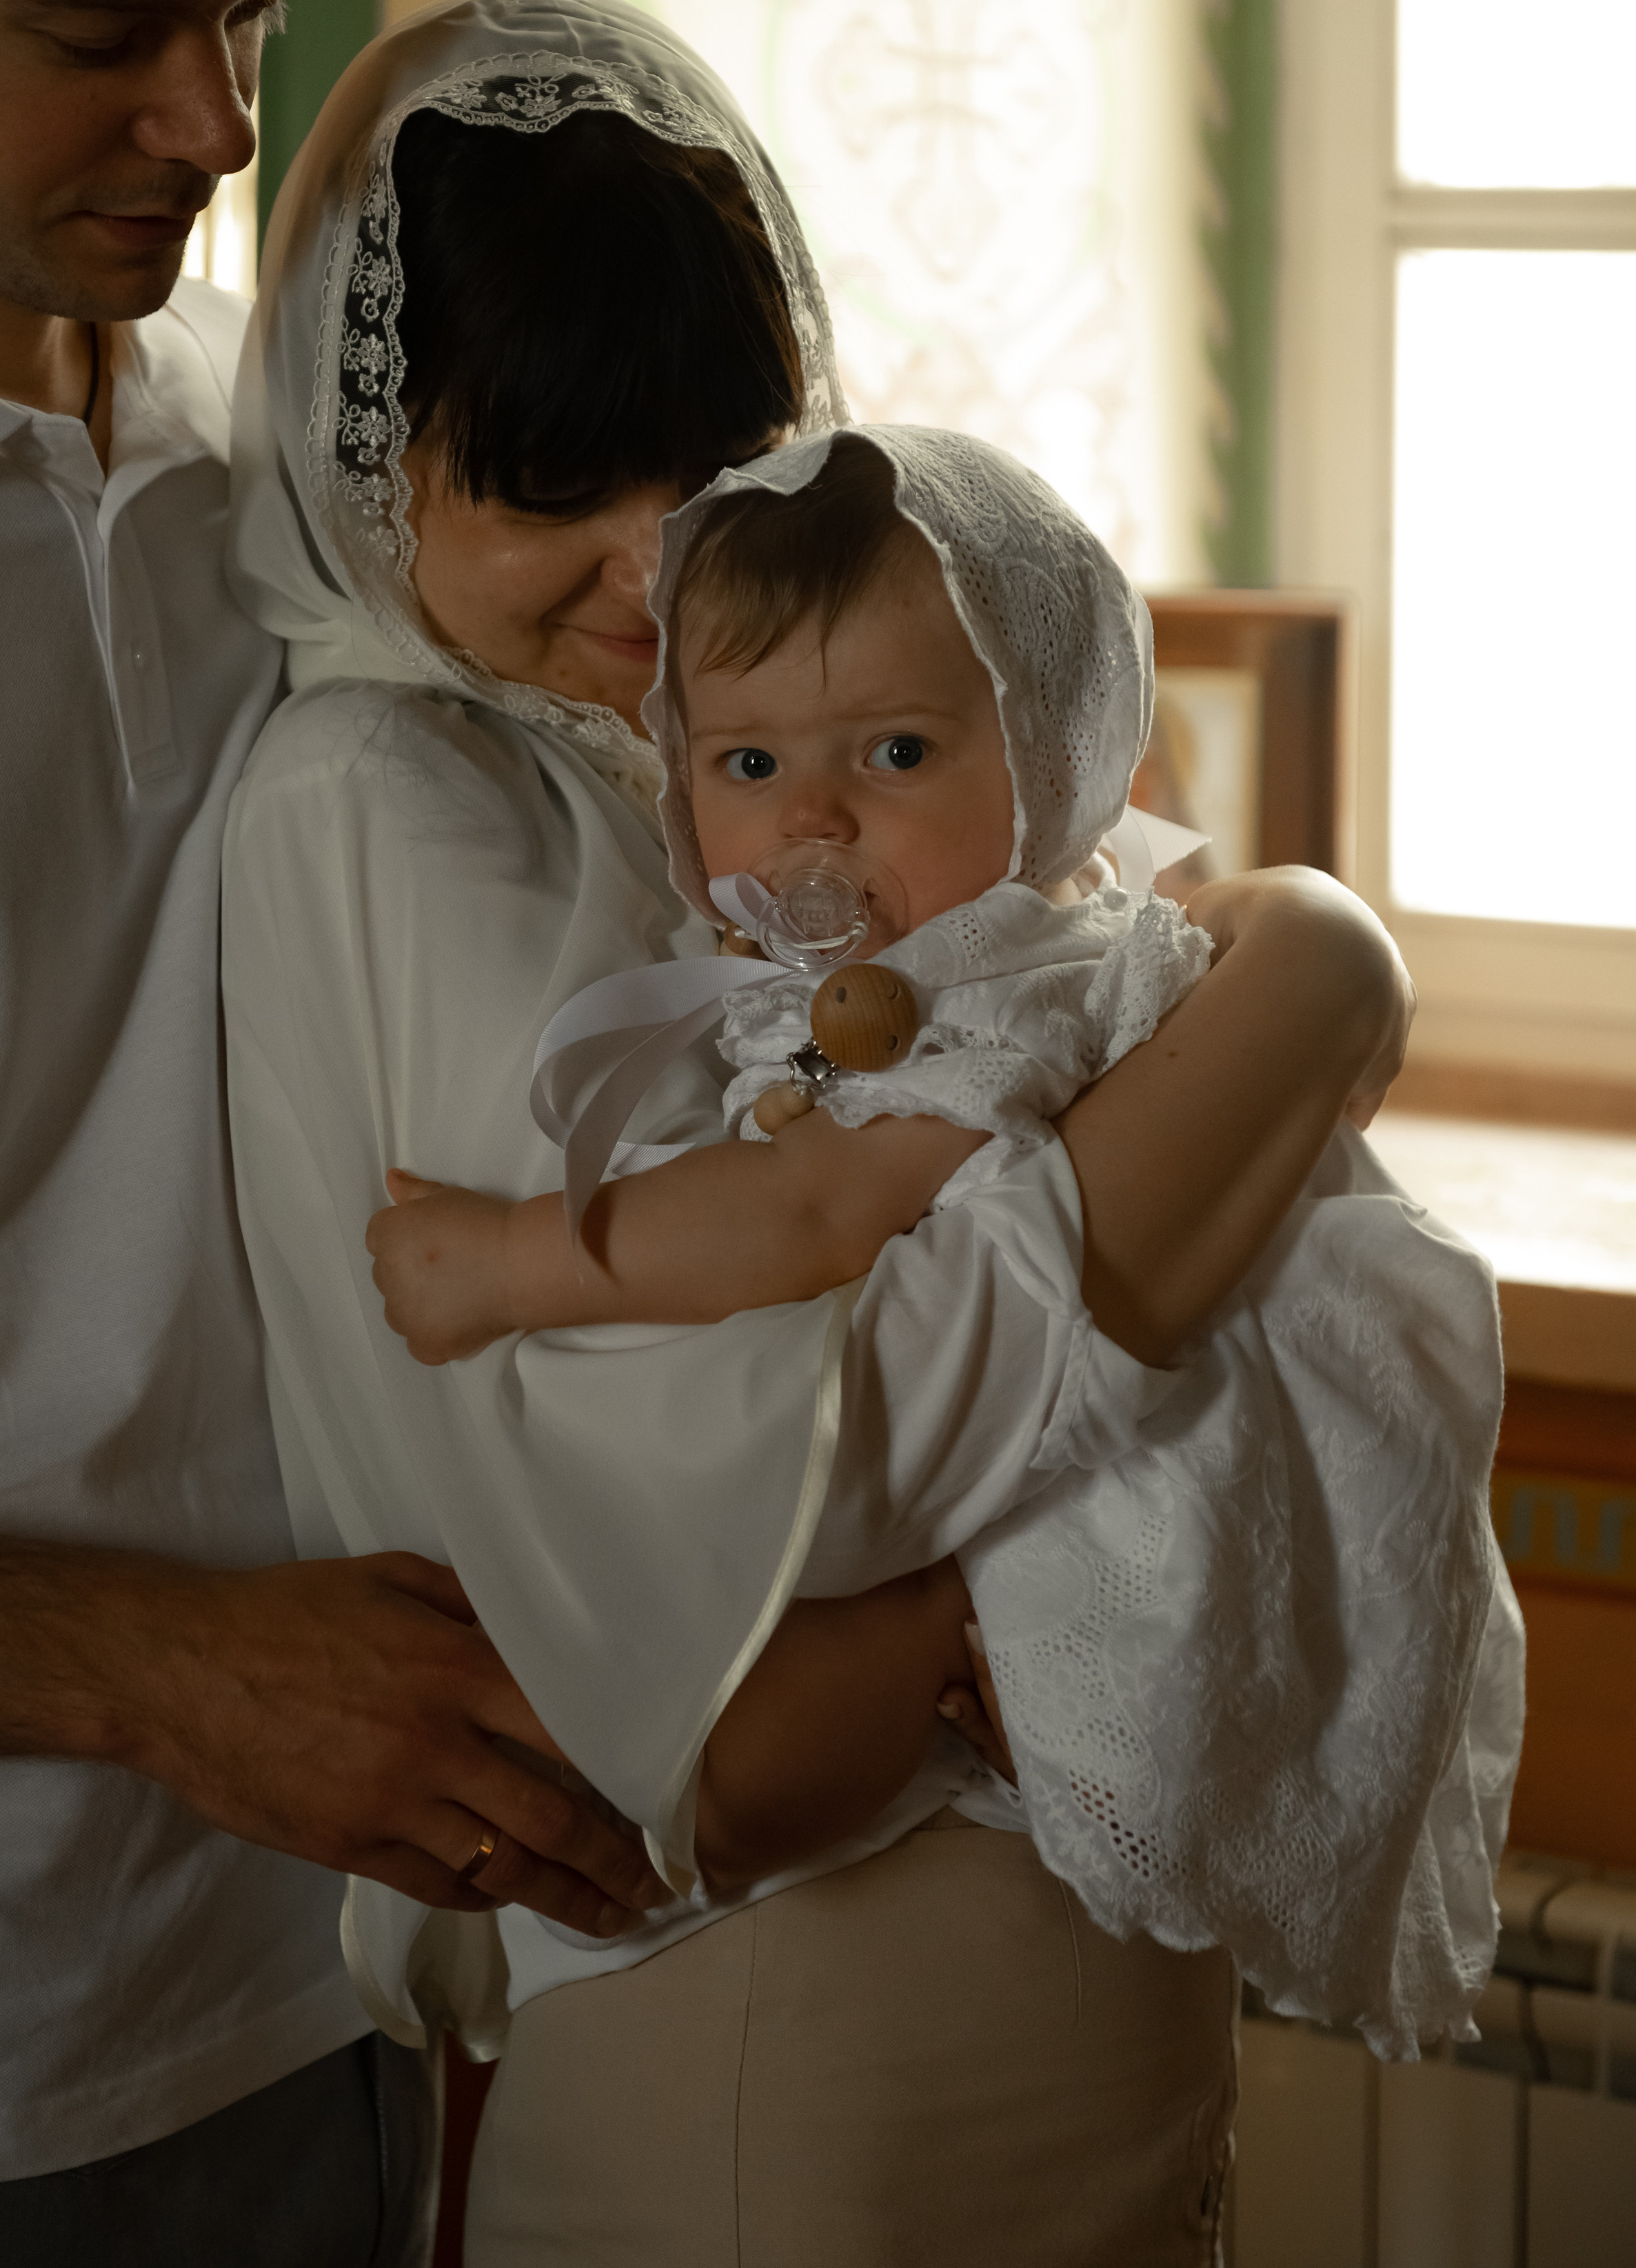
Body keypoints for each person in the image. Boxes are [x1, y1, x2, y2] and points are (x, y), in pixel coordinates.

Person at [222, 0, 1424, 2263]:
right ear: (375, 451)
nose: (660, 560)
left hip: (1037, 1935)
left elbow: (1092, 949)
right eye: (551, 482)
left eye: (711, 463)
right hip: (776, 2008)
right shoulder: (392, 798)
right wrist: (1320, 989)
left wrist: (1286, 953)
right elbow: (830, 1443)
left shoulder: (724, 725)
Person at [0, 0, 657, 2256]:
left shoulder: (318, 469)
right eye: (103, 27)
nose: (219, 122)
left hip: (365, 1968)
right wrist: (166, 1670)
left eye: (253, 10)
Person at [378, 422, 1521, 2054]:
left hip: (1164, 1430)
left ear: (1053, 758)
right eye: (747, 765)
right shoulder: (830, 980)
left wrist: (510, 1263)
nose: (811, 825)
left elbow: (814, 1212)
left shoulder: (1011, 973)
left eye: (895, 756)